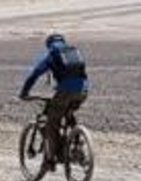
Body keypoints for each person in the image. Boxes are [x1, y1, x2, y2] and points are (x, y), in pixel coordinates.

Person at [19, 32, 89, 173]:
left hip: (65, 91)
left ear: (48, 44)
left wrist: (24, 93)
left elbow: (34, 74)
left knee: (52, 122)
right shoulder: (73, 52)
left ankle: (50, 160)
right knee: (68, 111)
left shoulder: (51, 54)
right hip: (83, 90)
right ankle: (78, 145)